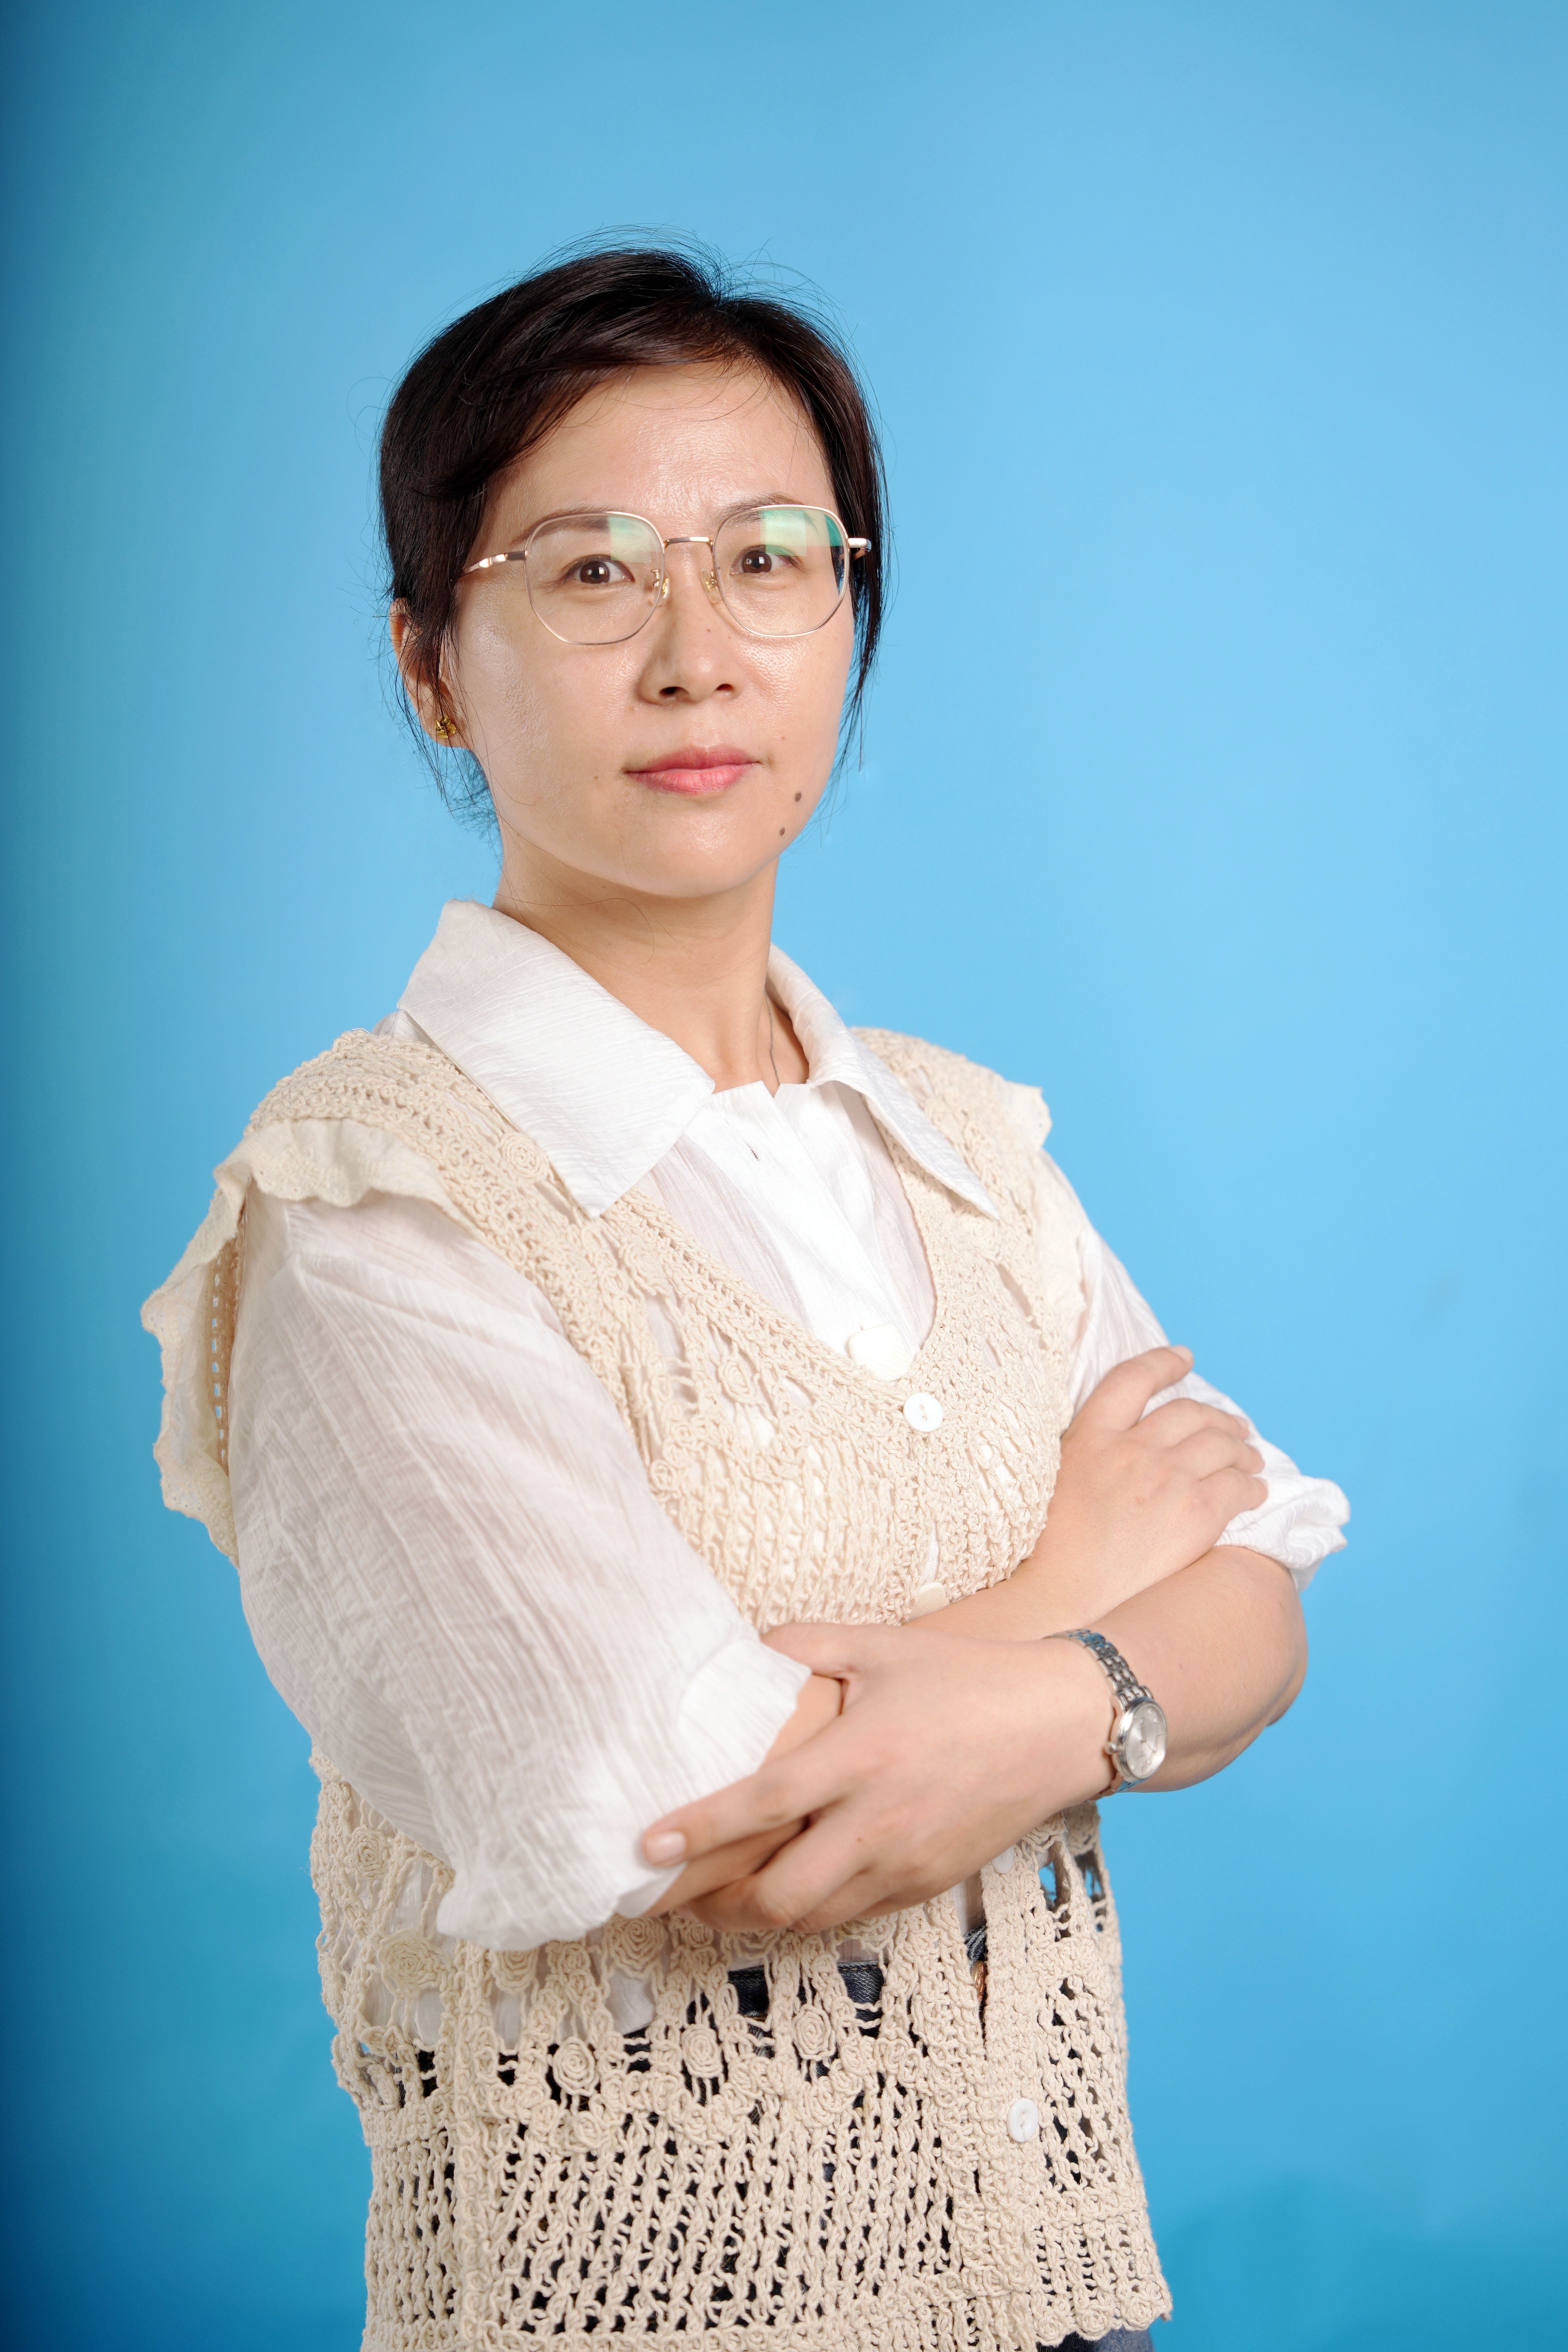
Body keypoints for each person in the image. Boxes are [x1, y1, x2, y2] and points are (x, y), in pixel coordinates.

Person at [142, 246, 1347, 2351]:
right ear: (432, 664)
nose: (698, 656)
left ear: (848, 610)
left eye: (771, 560)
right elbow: (684, 1814)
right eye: (594, 573)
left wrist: (1033, 1685)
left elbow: (1257, 1602)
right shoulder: (372, 1203)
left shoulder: (963, 1143)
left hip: (1059, 2287)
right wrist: (1085, 1603)